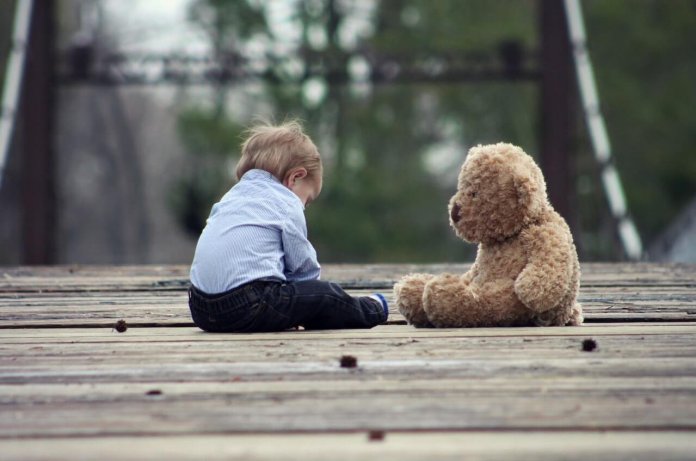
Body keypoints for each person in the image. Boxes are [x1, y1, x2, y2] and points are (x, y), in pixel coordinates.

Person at [188, 119, 388, 332]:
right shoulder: (285, 202)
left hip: (200, 308)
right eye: (307, 200)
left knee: (293, 298)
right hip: (248, 305)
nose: (304, 206)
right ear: (295, 177)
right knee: (326, 295)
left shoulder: (230, 197)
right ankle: (372, 308)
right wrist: (308, 298)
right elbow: (303, 269)